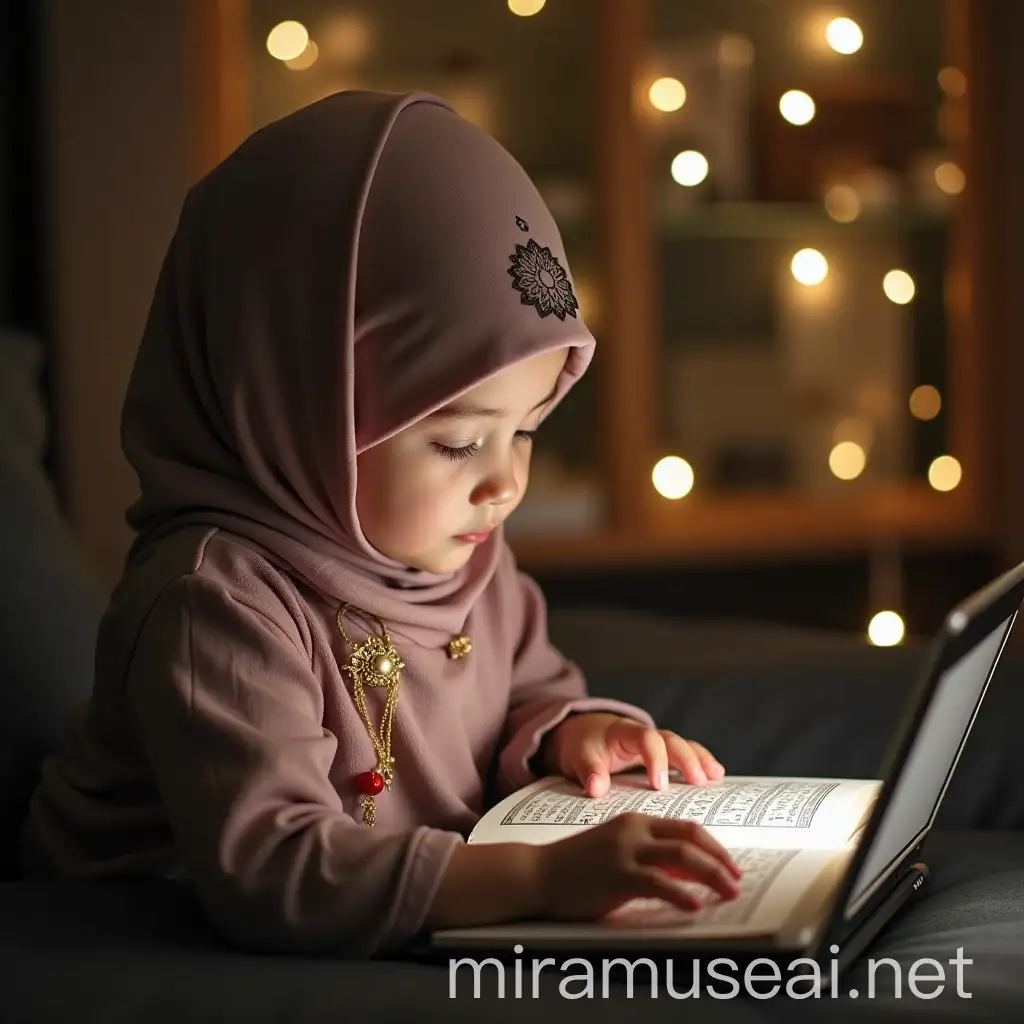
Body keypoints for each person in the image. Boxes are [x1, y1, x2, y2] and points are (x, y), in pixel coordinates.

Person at [23, 91, 742, 957]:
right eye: (459, 441)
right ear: (296, 407)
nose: (504, 484)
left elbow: (531, 690)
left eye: (525, 432)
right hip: (146, 949)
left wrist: (579, 734)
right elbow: (275, 870)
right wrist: (538, 881)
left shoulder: (466, 557)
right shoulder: (213, 605)